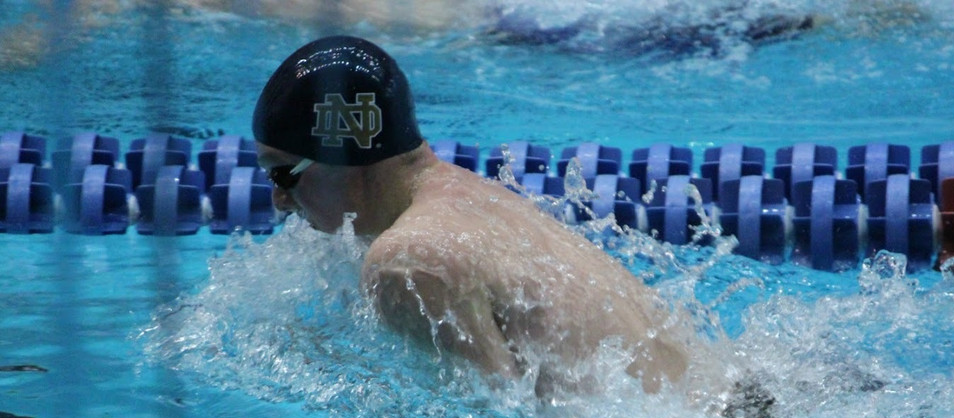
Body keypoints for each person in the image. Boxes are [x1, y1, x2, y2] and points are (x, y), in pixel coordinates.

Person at [252, 35, 699, 397]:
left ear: (342, 154)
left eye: (283, 174)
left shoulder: (403, 262)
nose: (278, 199)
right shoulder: (468, 195)